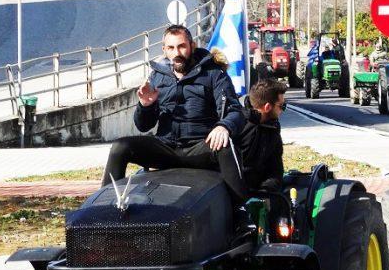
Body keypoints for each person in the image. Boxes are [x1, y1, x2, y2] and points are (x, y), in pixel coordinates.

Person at [102, 25, 248, 204]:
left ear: (192, 46)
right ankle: (104, 206)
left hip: (200, 147)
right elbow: (143, 125)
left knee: (226, 146)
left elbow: (235, 111)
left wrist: (223, 126)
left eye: (181, 46)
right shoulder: (157, 76)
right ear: (164, 50)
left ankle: (240, 211)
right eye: (171, 48)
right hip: (167, 147)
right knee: (120, 147)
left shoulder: (214, 74)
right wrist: (146, 105)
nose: (176, 53)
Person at [239, 78, 287, 193]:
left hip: (262, 190)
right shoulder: (238, 125)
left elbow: (276, 168)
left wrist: (266, 190)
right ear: (267, 107)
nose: (282, 110)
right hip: (236, 193)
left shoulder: (273, 127)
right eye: (282, 106)